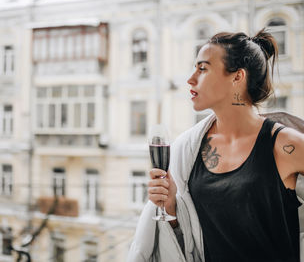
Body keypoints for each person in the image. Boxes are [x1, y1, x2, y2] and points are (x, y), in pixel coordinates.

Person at [127, 28, 304, 262]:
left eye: (203, 69)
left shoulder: (285, 145)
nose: (191, 79)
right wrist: (171, 209)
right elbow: (193, 239)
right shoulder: (189, 148)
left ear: (237, 77)